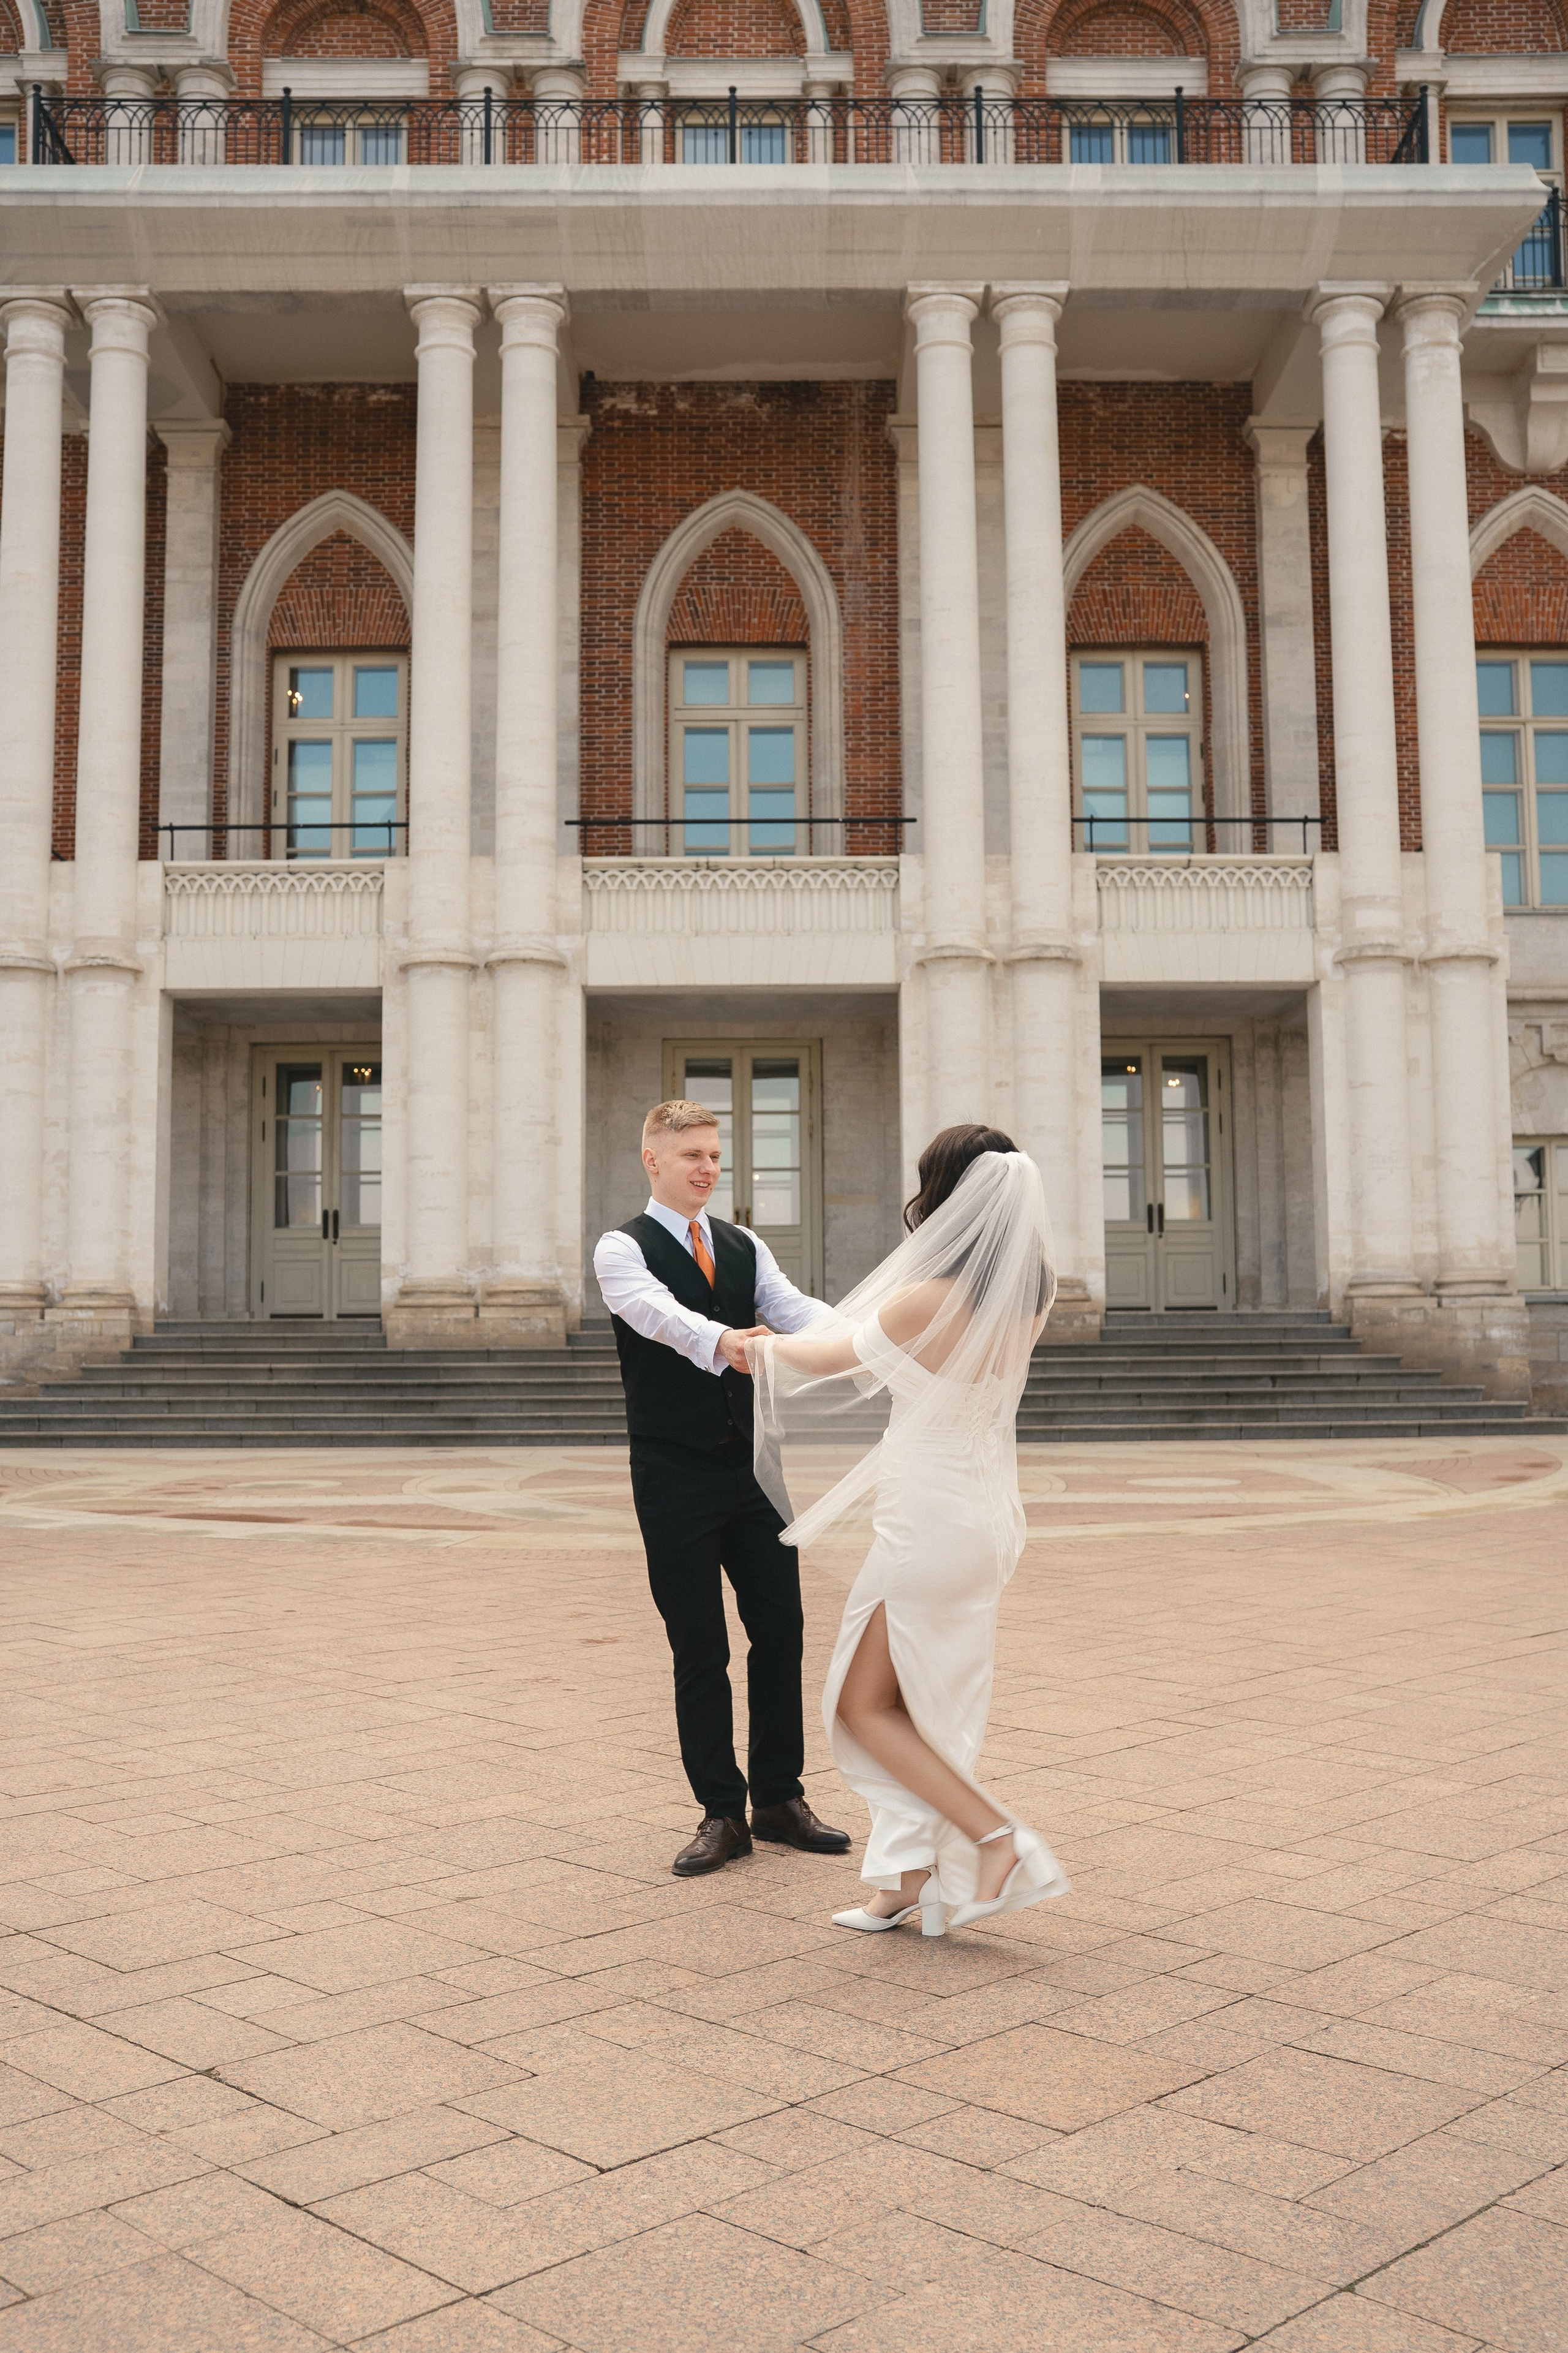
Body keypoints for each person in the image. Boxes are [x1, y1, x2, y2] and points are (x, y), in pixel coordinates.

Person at [748, 1124, 1070, 1938]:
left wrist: (759, 1346)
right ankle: (906, 1882)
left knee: (862, 1706)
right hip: (984, 1518)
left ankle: (996, 1839)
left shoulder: (927, 1300)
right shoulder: (1033, 1291)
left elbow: (830, 1362)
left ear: (946, 1197)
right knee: (923, 1703)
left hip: (927, 1523)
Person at [593, 1098, 850, 1879]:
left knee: (781, 1631)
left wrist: (862, 1335)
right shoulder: (620, 1249)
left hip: (754, 1469)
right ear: (653, 1161)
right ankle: (721, 1813)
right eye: (691, 1157)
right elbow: (657, 1316)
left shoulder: (743, 1244)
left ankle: (779, 1798)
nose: (707, 1169)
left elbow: (794, 1310)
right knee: (698, 1646)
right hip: (673, 1474)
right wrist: (727, 1342)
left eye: (713, 1155)